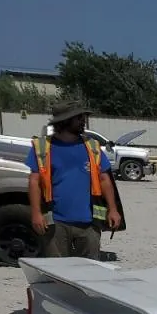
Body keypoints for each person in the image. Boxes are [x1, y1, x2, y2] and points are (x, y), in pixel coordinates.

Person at [26, 101, 122, 259]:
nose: (83, 120)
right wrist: (36, 213)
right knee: (57, 271)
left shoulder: (92, 147)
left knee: (88, 271)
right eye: (78, 117)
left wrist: (112, 209)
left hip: (89, 222)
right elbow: (34, 182)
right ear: (64, 121)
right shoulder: (42, 147)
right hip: (55, 222)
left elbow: (104, 179)